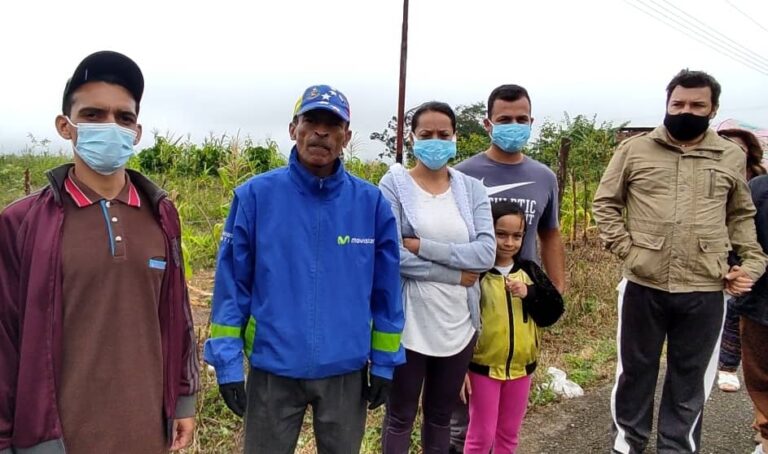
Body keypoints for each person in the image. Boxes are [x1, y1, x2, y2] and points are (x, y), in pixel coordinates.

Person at [0, 50, 199, 454]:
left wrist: (182, 399)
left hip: (146, 433)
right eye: (93, 115)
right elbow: (5, 339)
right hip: (56, 441)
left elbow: (176, 313)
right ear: (65, 126)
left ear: (137, 132)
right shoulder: (23, 223)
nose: (110, 126)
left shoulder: (161, 216)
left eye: (123, 118)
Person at [204, 85, 404, 454]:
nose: (321, 132)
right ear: (293, 127)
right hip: (273, 368)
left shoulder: (370, 203)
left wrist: (385, 364)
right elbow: (232, 288)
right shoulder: (254, 197)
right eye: (311, 120)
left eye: (333, 124)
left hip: (345, 371)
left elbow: (387, 292)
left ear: (346, 136)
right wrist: (228, 364)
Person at [593, 69, 768, 453]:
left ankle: (678, 448)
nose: (685, 111)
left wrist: (750, 264)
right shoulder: (634, 150)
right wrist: (628, 250)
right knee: (634, 374)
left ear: (713, 108)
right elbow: (605, 204)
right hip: (643, 285)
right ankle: (627, 447)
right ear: (667, 103)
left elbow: (740, 215)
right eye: (678, 104)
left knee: (689, 381)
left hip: (706, 288)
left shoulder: (730, 154)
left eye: (696, 105)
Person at [450, 83, 566, 453]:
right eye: (504, 119)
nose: (513, 125)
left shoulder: (545, 176)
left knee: (507, 422)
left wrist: (555, 292)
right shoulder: (463, 174)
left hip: (520, 301)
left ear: (532, 121)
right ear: (488, 123)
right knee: (465, 422)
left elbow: (550, 234)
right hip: (473, 300)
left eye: (521, 119)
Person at [378, 101, 496, 453]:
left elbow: (486, 253)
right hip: (410, 321)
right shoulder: (394, 185)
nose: (435, 141)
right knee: (399, 415)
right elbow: (392, 255)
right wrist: (455, 274)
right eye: (426, 134)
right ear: (412, 138)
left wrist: (422, 246)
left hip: (458, 322)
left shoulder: (471, 189)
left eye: (443, 134)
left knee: (440, 414)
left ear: (455, 137)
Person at [461, 201, 564, 454]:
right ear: (487, 232)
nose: (509, 243)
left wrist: (529, 293)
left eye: (516, 236)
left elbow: (553, 310)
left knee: (508, 435)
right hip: (482, 369)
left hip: (521, 369)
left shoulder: (529, 271)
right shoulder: (477, 275)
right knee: (481, 436)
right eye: (501, 235)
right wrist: (460, 367)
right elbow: (461, 322)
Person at [715, 127, 767, 393]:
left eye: (739, 148)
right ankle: (727, 365)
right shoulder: (711, 175)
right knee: (736, 311)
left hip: (754, 255)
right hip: (727, 254)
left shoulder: (757, 180)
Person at [732, 172, 768, 454]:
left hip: (759, 302)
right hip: (760, 301)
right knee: (760, 375)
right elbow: (738, 233)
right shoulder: (759, 188)